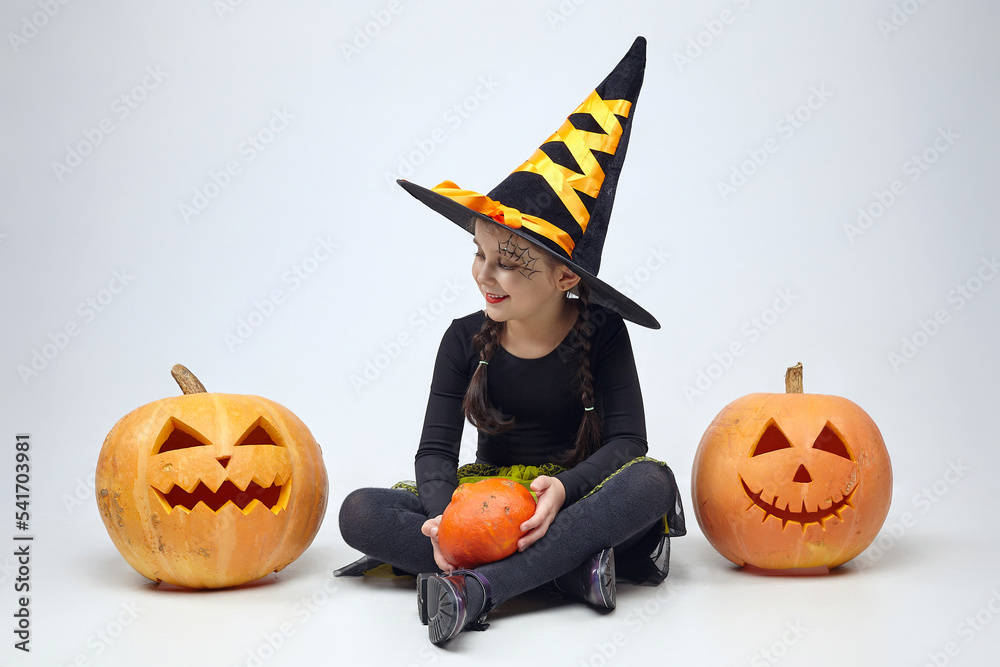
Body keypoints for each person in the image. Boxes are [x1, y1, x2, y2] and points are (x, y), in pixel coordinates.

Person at [335, 36, 685, 645]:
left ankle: (478, 590)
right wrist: (447, 519)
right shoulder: (462, 339)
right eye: (480, 253)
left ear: (565, 277)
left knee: (650, 485)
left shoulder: (602, 332)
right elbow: (434, 454)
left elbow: (630, 441)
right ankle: (571, 573)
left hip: (571, 497)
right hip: (487, 503)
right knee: (360, 512)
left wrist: (565, 489)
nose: (485, 275)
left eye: (510, 263)